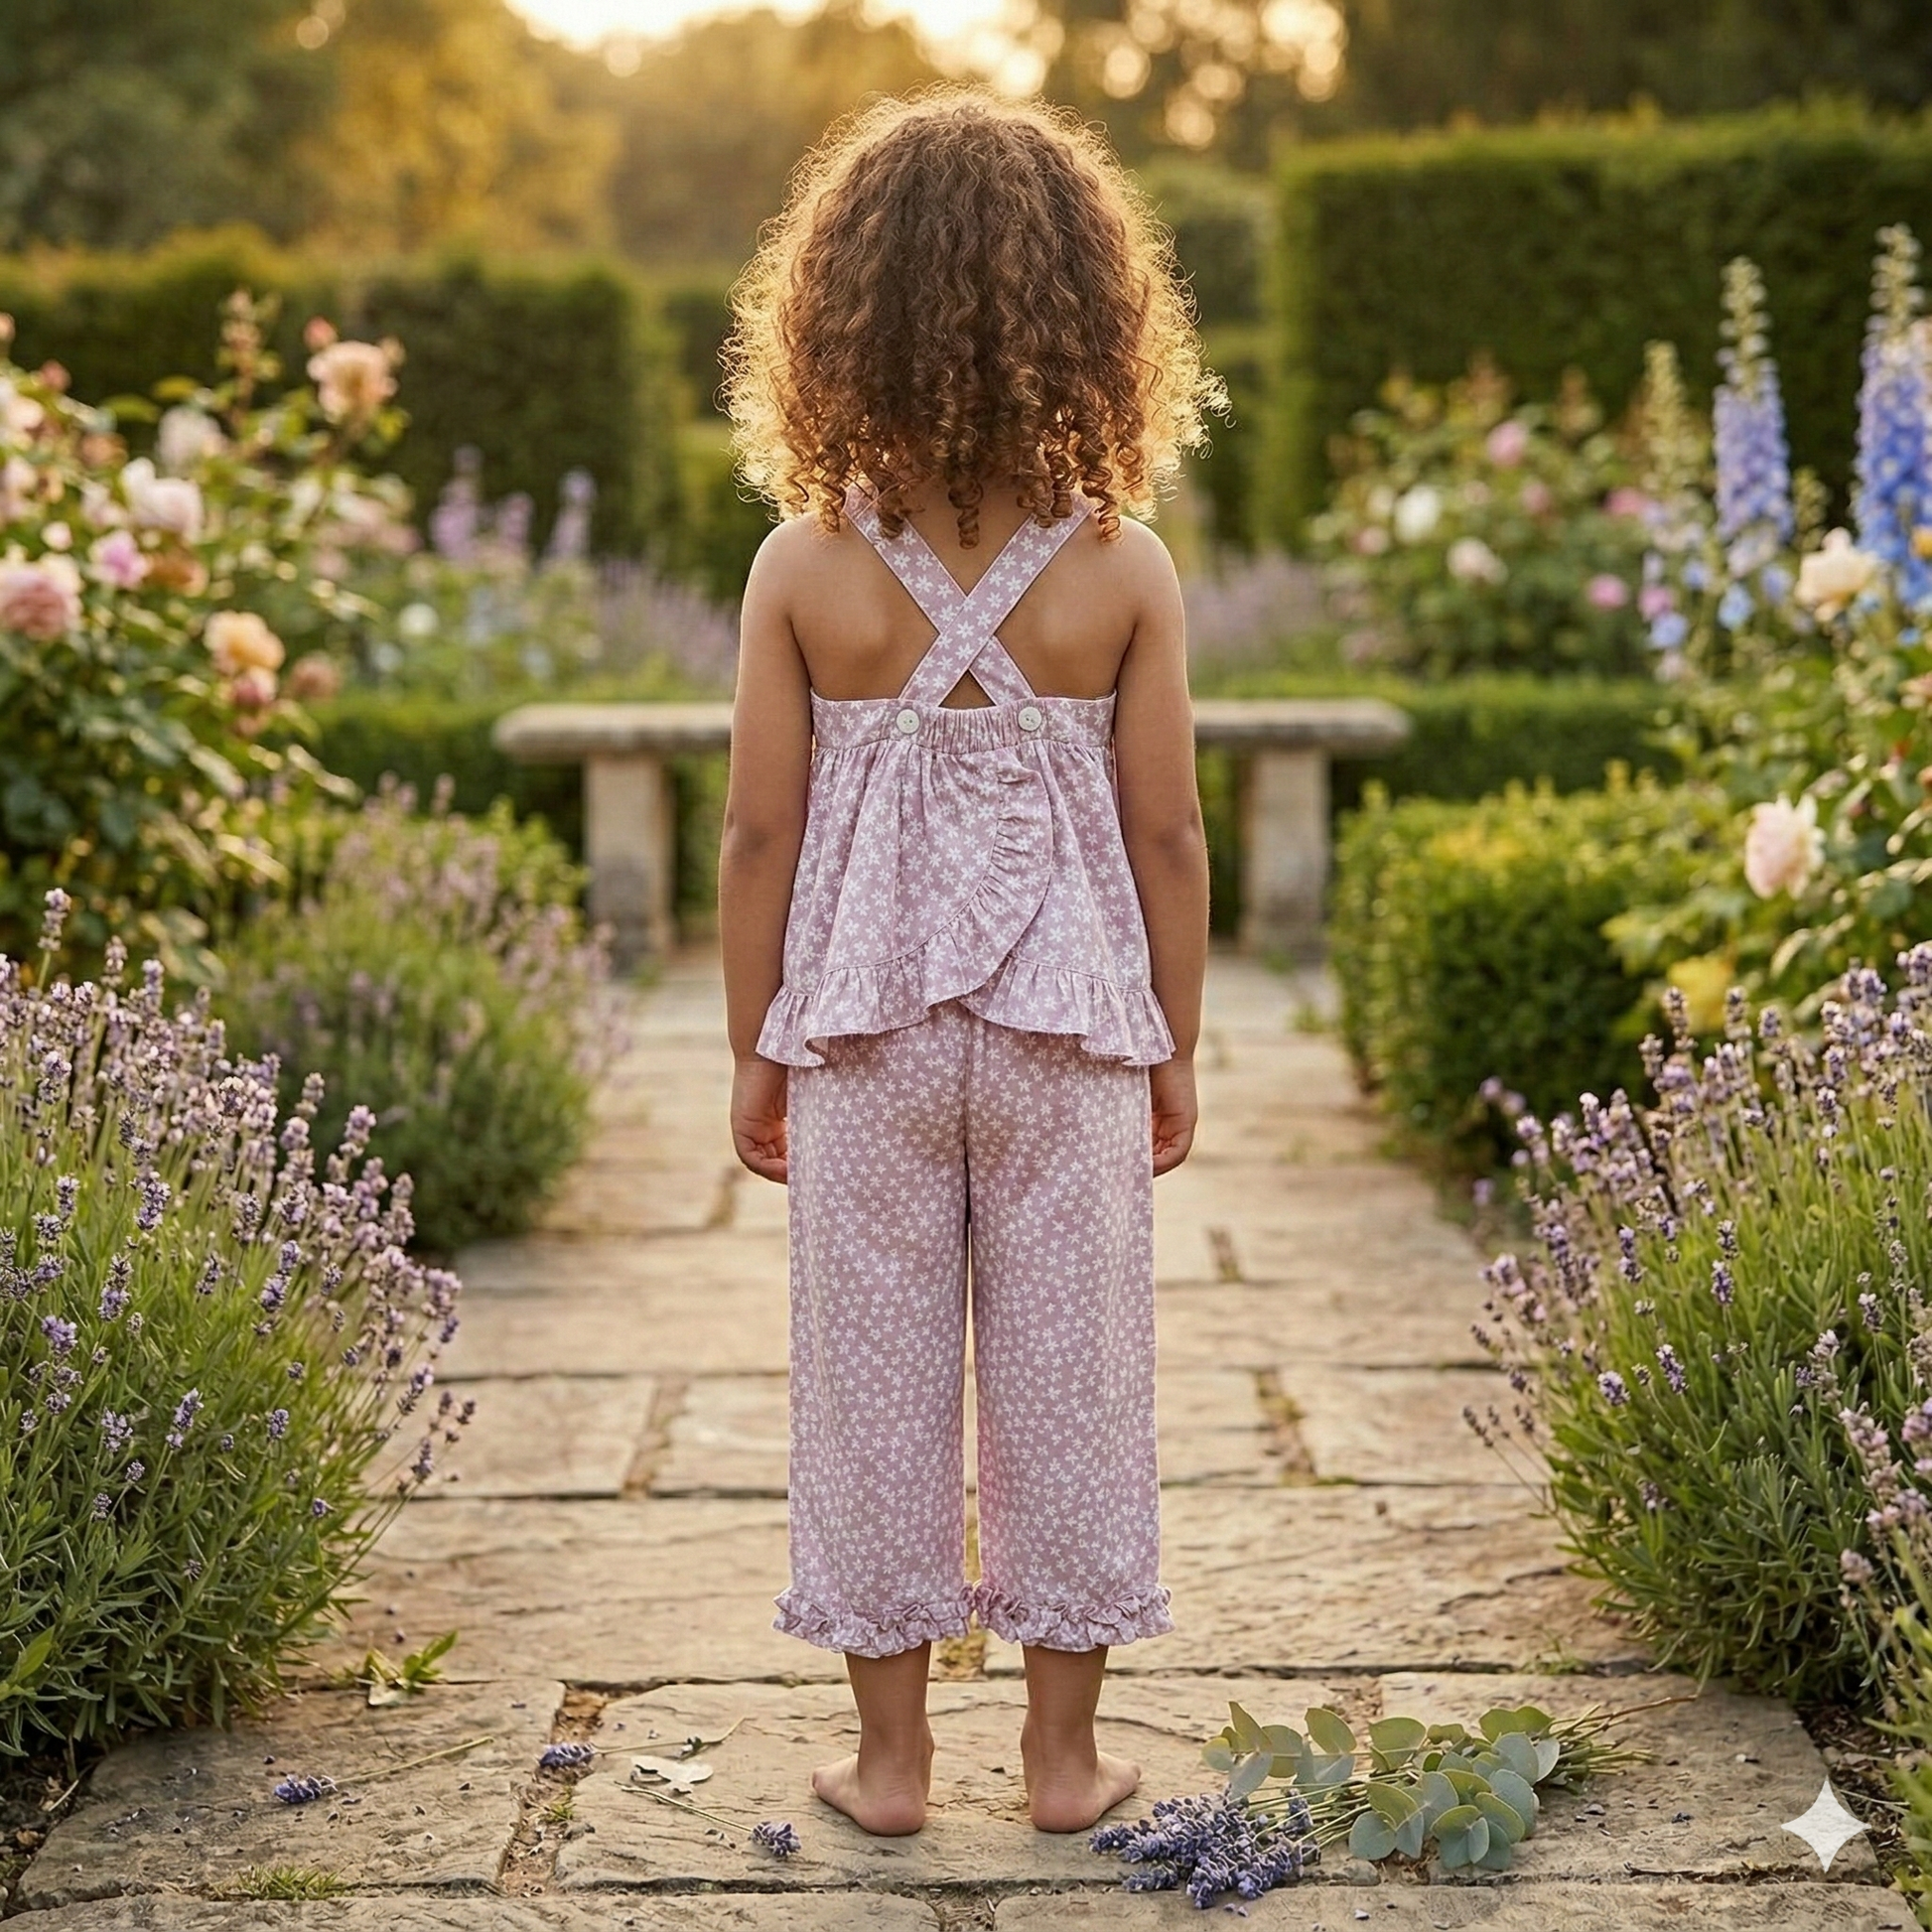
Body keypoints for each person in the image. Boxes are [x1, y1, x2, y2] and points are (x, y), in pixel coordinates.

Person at [717, 88, 1215, 1840]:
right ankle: (1064, 1762)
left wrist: (754, 1044)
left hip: (863, 1037)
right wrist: (1173, 1041)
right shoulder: (1120, 567)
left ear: (834, 313)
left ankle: (892, 1764)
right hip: (1068, 1033)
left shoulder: (804, 567)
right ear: (1088, 314)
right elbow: (1169, 834)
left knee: (872, 1384)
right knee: (1072, 1378)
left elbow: (756, 837)